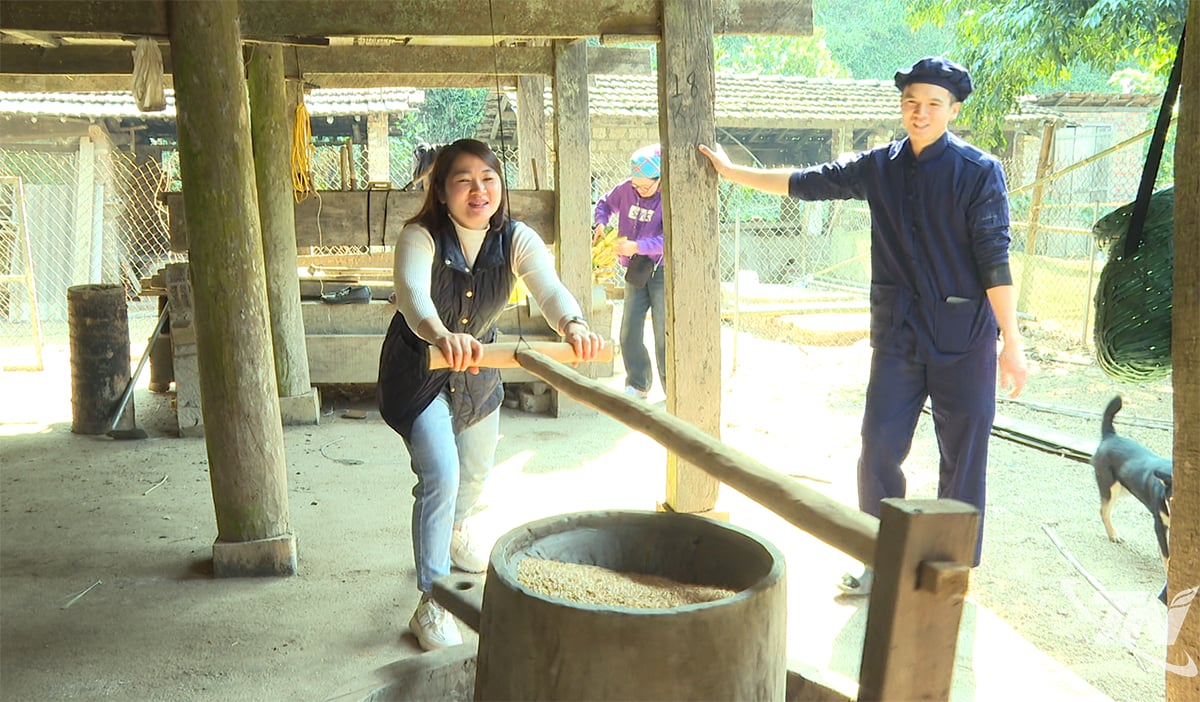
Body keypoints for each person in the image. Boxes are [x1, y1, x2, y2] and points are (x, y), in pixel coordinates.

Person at [698, 57, 1028, 595]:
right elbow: (808, 182)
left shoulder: (978, 171)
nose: (920, 113)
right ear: (902, 106)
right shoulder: (881, 165)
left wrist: (1011, 340)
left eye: (934, 104)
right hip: (898, 334)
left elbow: (995, 258)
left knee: (964, 455)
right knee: (878, 446)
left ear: (953, 110)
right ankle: (879, 558)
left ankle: (949, 571)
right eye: (911, 102)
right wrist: (734, 174)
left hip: (964, 337)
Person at [377, 138, 604, 650]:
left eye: (488, 179)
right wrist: (440, 333)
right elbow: (412, 294)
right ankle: (434, 599)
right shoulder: (419, 236)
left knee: (475, 474)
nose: (478, 191)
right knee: (441, 475)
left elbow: (548, 287)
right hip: (420, 370)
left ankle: (455, 530)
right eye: (464, 181)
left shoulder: (516, 238)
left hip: (478, 371)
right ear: (441, 191)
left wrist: (573, 323)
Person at [593, 143, 667, 399]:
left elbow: (671, 239)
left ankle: (673, 389)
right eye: (636, 186)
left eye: (645, 187)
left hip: (661, 270)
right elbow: (604, 204)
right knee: (629, 331)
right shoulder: (626, 189)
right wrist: (601, 223)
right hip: (635, 270)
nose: (639, 191)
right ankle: (638, 384)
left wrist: (637, 246)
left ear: (659, 179)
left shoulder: (668, 197)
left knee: (664, 333)